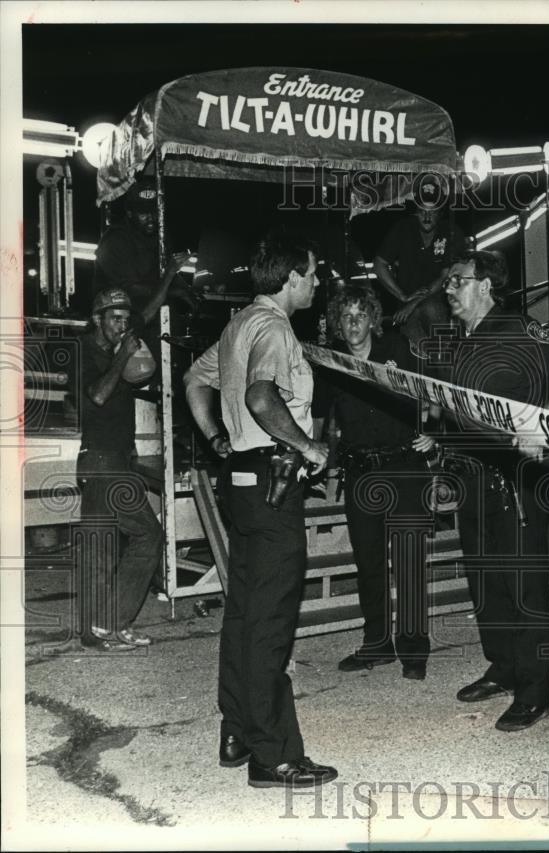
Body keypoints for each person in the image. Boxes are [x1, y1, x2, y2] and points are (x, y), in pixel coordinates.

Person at [183, 229, 338, 789]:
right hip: (273, 478)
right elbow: (260, 396)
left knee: (246, 612)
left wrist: (217, 440)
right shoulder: (273, 327)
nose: (317, 282)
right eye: (313, 272)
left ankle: (237, 731)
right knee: (271, 621)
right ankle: (273, 756)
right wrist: (307, 444)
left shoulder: (236, 326)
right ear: (291, 277)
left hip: (242, 481)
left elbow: (193, 379)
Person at [435, 249, 549, 732]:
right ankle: (502, 667)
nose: (449, 289)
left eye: (457, 279)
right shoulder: (463, 342)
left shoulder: (520, 328)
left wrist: (544, 422)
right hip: (472, 479)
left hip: (514, 480)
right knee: (486, 582)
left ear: (485, 286)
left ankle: (535, 690)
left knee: (523, 587)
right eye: (448, 282)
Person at [319, 284, 436, 679]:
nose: (353, 323)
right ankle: (377, 645)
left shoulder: (398, 352)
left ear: (373, 320)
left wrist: (434, 432)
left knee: (408, 561)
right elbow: (322, 417)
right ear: (338, 322)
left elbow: (434, 394)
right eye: (346, 316)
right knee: (368, 563)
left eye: (360, 315)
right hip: (361, 473)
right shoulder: (332, 363)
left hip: (404, 468)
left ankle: (415, 649)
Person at [76, 288, 162, 651]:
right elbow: (96, 396)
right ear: (98, 318)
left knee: (112, 544)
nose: (123, 325)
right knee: (139, 537)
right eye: (115, 319)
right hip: (100, 460)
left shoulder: (117, 345)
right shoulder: (85, 352)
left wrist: (171, 274)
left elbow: (147, 310)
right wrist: (122, 356)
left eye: (126, 320)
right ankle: (106, 624)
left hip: (116, 460)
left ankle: (104, 625)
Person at [94, 177, 193, 334]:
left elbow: (168, 272)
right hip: (120, 323)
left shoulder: (161, 236)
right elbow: (130, 290)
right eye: (143, 213)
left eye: (154, 211)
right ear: (130, 213)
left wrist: (187, 290)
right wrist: (174, 291)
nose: (151, 218)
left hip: (155, 316)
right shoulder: (114, 240)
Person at [373, 199, 465, 344]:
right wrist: (403, 296)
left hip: (443, 306)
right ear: (415, 212)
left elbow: (446, 275)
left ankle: (449, 356)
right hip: (407, 310)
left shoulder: (452, 231)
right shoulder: (403, 228)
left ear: (440, 214)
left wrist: (414, 302)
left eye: (432, 212)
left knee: (430, 308)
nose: (427, 217)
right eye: (422, 212)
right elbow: (379, 264)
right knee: (414, 355)